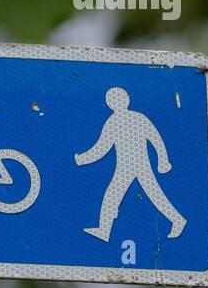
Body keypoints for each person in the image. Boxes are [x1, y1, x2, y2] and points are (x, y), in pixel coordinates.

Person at [74, 87, 185, 242]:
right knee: (123, 195)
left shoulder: (127, 120)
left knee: (143, 194)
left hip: (134, 164)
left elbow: (154, 138)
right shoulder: (125, 120)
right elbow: (102, 147)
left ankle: (177, 220)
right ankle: (104, 230)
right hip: (128, 165)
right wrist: (84, 158)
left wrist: (163, 160)